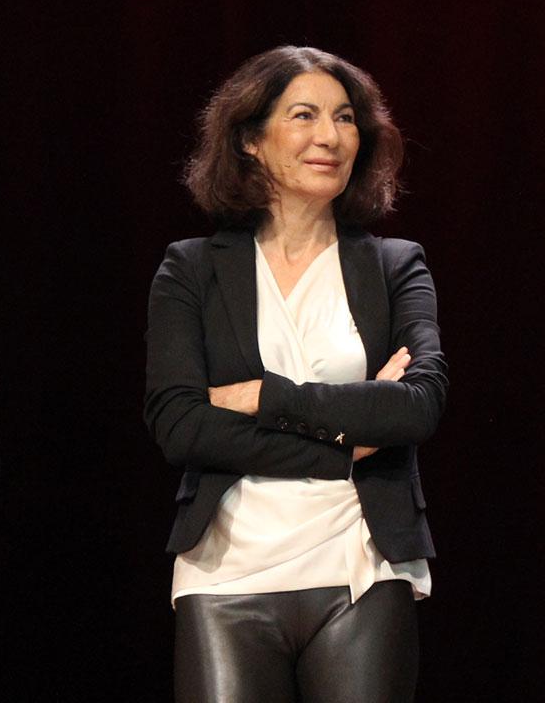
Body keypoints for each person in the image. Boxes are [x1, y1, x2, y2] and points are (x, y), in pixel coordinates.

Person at [145, 45, 447, 703]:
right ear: (252, 139)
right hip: (225, 571)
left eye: (344, 118)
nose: (329, 136)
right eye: (304, 115)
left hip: (361, 565)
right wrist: (347, 439)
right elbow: (182, 428)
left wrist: (263, 397)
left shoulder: (395, 267)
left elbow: (417, 408)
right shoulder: (191, 269)